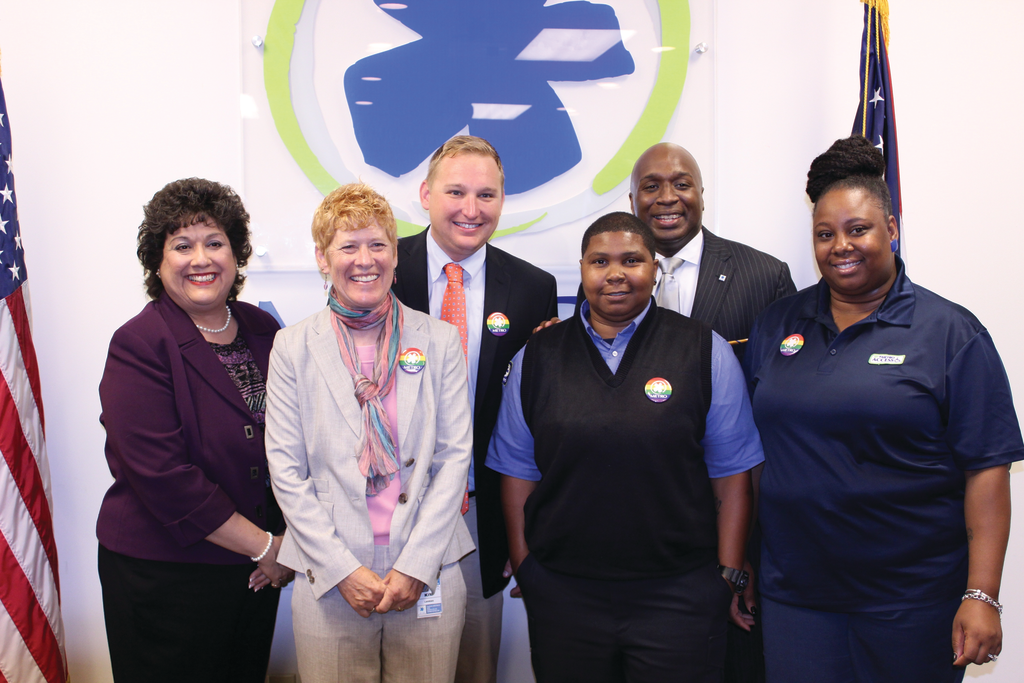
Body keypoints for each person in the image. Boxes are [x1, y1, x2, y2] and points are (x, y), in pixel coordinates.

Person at [743, 135, 1022, 683]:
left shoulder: (950, 333)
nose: (839, 245)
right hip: (798, 599)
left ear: (891, 229)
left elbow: (987, 470)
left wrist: (982, 594)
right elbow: (752, 451)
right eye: (824, 234)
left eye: (857, 229)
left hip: (911, 604)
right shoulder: (777, 323)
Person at [487, 212, 764, 683]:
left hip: (678, 596)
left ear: (654, 268)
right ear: (582, 269)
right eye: (600, 261)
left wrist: (727, 575)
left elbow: (732, 473)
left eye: (632, 260)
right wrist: (528, 568)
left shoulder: (703, 350)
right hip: (565, 597)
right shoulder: (537, 356)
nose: (615, 273)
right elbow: (516, 472)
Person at [265, 183, 475, 683]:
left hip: (427, 565)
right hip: (330, 573)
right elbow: (287, 471)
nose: (365, 260)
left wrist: (415, 565)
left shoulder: (439, 340)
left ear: (395, 255)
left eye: (378, 244)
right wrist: (343, 570)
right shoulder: (292, 347)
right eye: (348, 246)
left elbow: (453, 457)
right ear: (322, 257)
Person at [97, 178, 292, 683]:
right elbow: (163, 475)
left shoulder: (264, 331)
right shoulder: (139, 344)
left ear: (235, 254)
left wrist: (285, 542)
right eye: (182, 245)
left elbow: (294, 443)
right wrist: (267, 547)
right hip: (166, 577)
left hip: (252, 575)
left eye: (215, 242)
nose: (200, 258)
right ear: (157, 263)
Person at [391, 135, 558, 683]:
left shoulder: (535, 287)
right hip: (389, 502)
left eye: (486, 194)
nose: (471, 208)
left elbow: (534, 416)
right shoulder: (383, 269)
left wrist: (522, 527)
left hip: (479, 510)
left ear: (503, 201)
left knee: (472, 663)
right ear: (424, 194)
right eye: (456, 191)